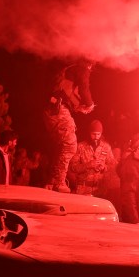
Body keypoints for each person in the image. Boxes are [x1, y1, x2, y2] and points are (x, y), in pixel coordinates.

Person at [44, 61, 95, 193]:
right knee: (70, 145)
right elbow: (84, 88)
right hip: (59, 110)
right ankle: (59, 182)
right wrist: (89, 103)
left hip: (52, 110)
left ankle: (52, 181)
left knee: (61, 146)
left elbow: (66, 92)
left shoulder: (70, 70)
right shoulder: (83, 67)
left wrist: (79, 107)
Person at [67, 119, 116, 197]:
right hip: (83, 190)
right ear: (89, 133)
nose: (96, 137)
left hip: (100, 191)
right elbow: (72, 167)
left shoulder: (106, 147)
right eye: (93, 134)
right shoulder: (80, 147)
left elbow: (113, 166)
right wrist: (87, 165)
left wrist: (104, 167)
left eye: (98, 134)